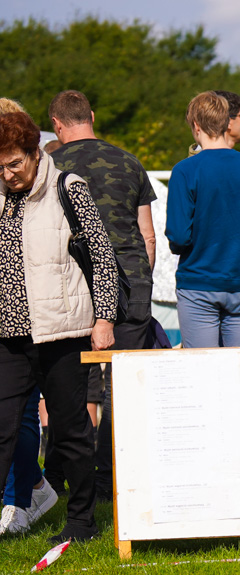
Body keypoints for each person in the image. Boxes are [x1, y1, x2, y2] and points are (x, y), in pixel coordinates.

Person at [0, 111, 118, 542]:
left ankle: (82, 522)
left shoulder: (69, 188)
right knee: (1, 429)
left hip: (62, 332)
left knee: (70, 432)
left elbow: (104, 258)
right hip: (7, 337)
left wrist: (104, 318)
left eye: (14, 163)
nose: (8, 174)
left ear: (34, 153)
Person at [49, 89, 158, 502]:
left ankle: (64, 480)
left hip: (73, 286)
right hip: (132, 285)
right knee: (124, 389)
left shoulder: (49, 167)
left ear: (57, 125)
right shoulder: (129, 161)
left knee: (70, 389)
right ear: (91, 116)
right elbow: (147, 235)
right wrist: (139, 282)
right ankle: (116, 483)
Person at [166, 91, 240, 348]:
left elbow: (179, 234)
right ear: (226, 123)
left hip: (198, 284)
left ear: (195, 125)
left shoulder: (185, 170)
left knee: (203, 373)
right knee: (238, 374)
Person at [0, 99, 58, 537]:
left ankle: (21, 497)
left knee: (16, 416)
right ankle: (32, 486)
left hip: (28, 320)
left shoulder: (45, 187)